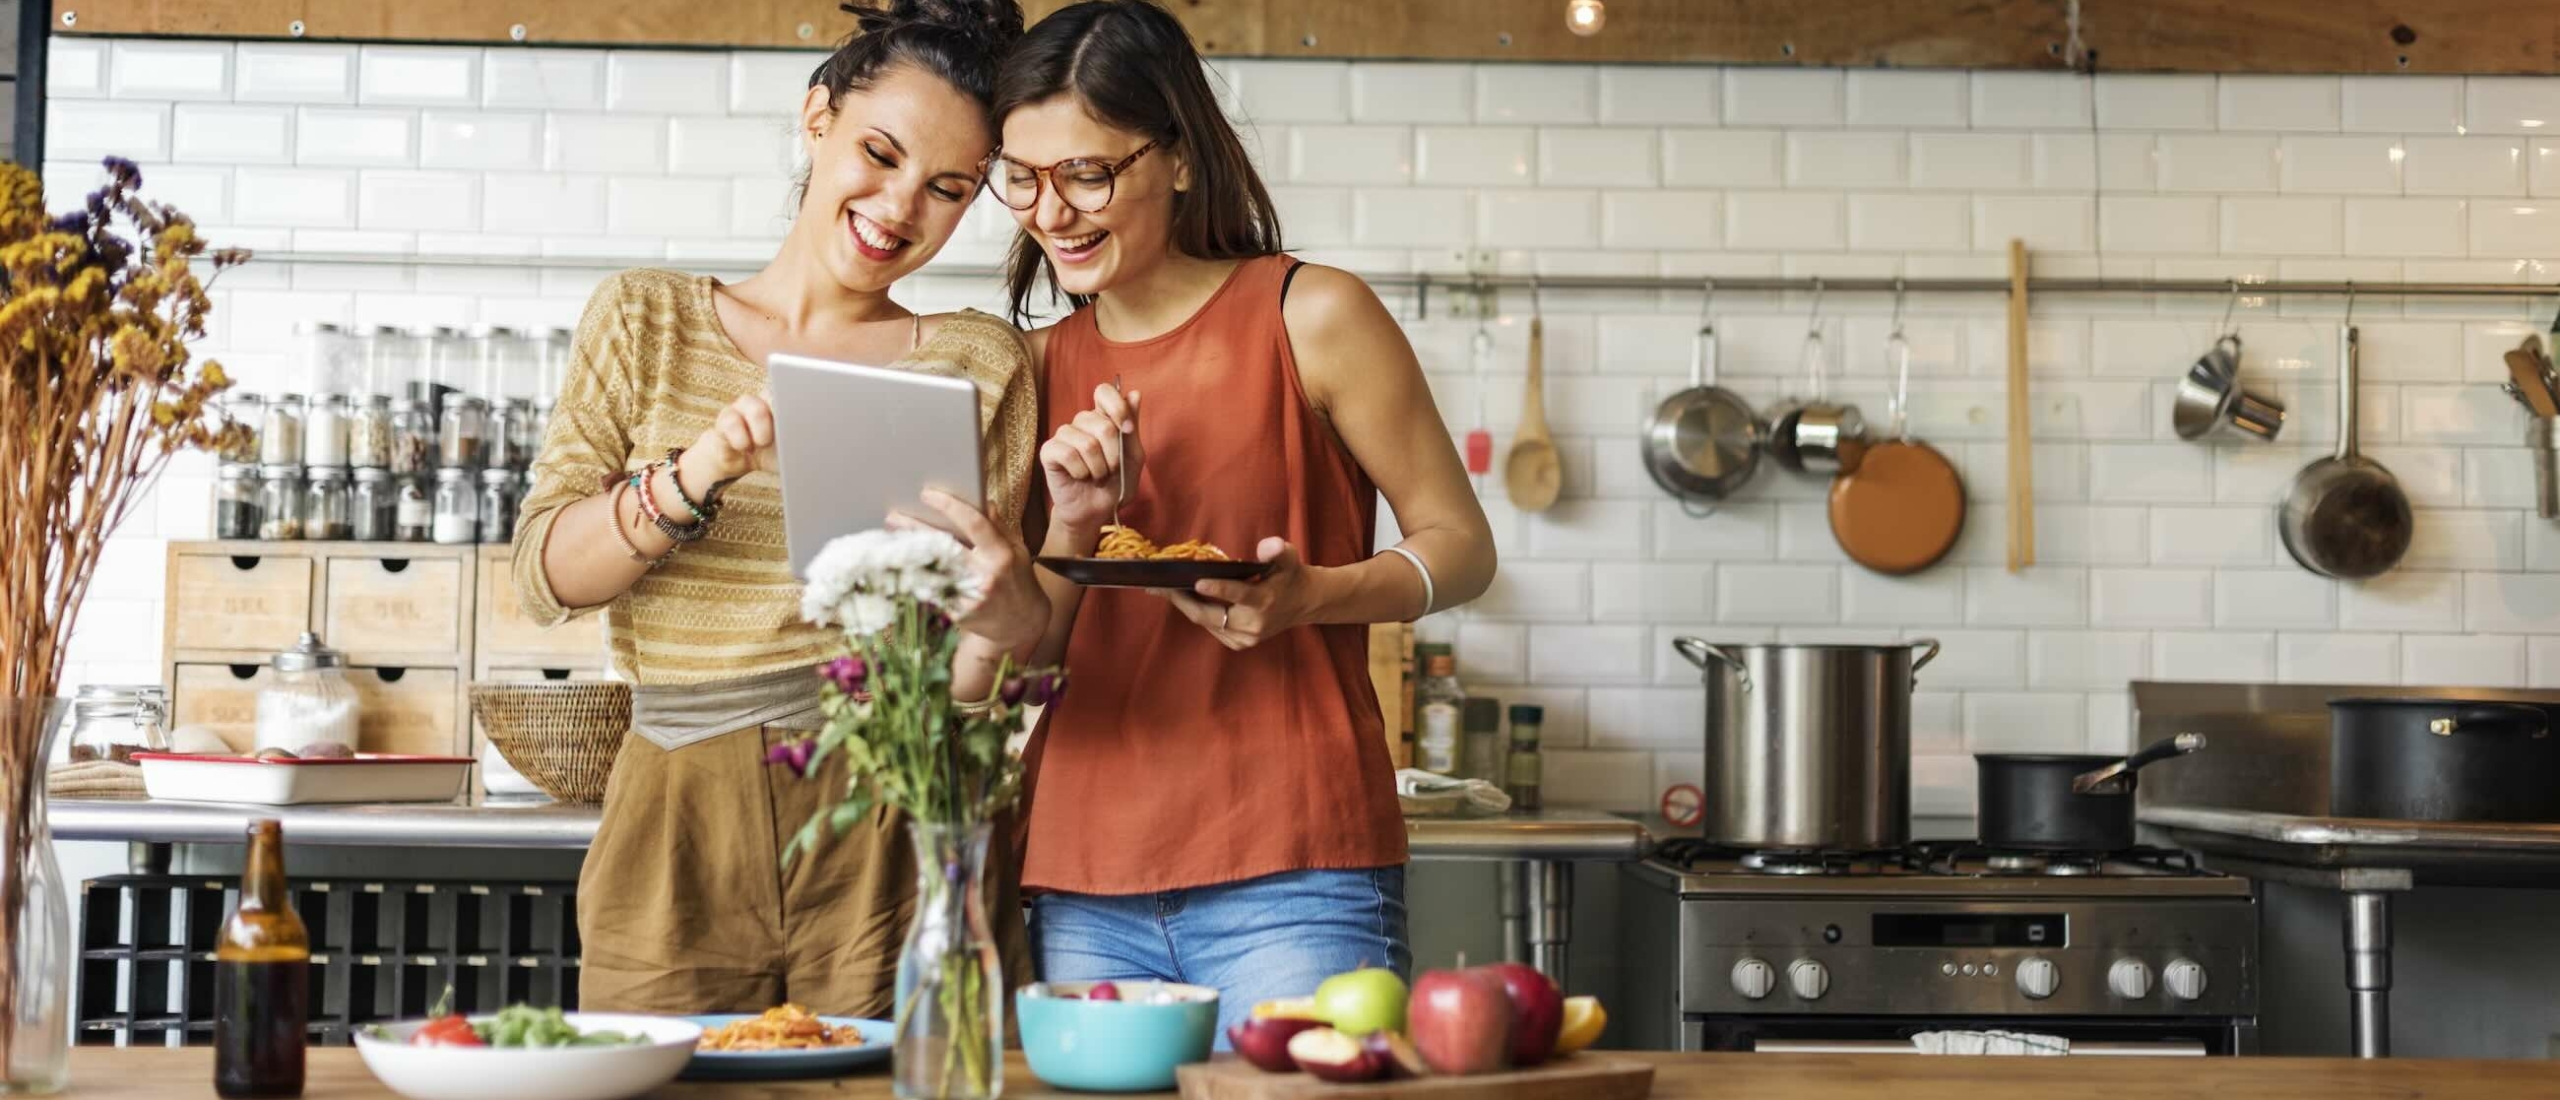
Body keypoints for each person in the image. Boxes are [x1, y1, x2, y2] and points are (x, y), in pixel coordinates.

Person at [509, 0, 1048, 1016]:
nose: (898, 206)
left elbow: (991, 664)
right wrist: (691, 474)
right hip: (676, 803)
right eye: (878, 153)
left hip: (895, 798)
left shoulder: (981, 360)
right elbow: (546, 577)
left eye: (946, 188)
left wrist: (1008, 615)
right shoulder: (646, 316)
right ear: (817, 119)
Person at [992, 0, 1497, 1042]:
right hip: (1084, 864)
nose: (1052, 211)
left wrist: (1316, 592)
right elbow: (1033, 645)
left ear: (1176, 156)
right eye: (1023, 176)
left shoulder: (1311, 313)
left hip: (1295, 858)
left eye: (1087, 172)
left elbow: (1462, 545)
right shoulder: (1033, 367)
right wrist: (1073, 528)